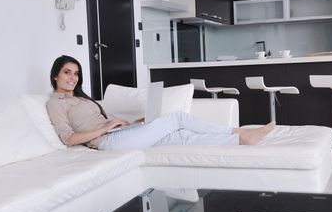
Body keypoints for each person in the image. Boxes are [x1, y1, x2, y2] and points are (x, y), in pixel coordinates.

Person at [46, 55, 275, 151]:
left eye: (76, 73)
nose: (72, 78)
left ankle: (240, 140)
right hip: (107, 142)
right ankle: (237, 131)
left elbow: (101, 122)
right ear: (55, 75)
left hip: (119, 133)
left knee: (181, 137)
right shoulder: (55, 103)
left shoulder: (81, 98)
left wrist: (132, 124)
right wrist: (106, 128)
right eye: (67, 72)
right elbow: (69, 139)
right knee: (177, 118)